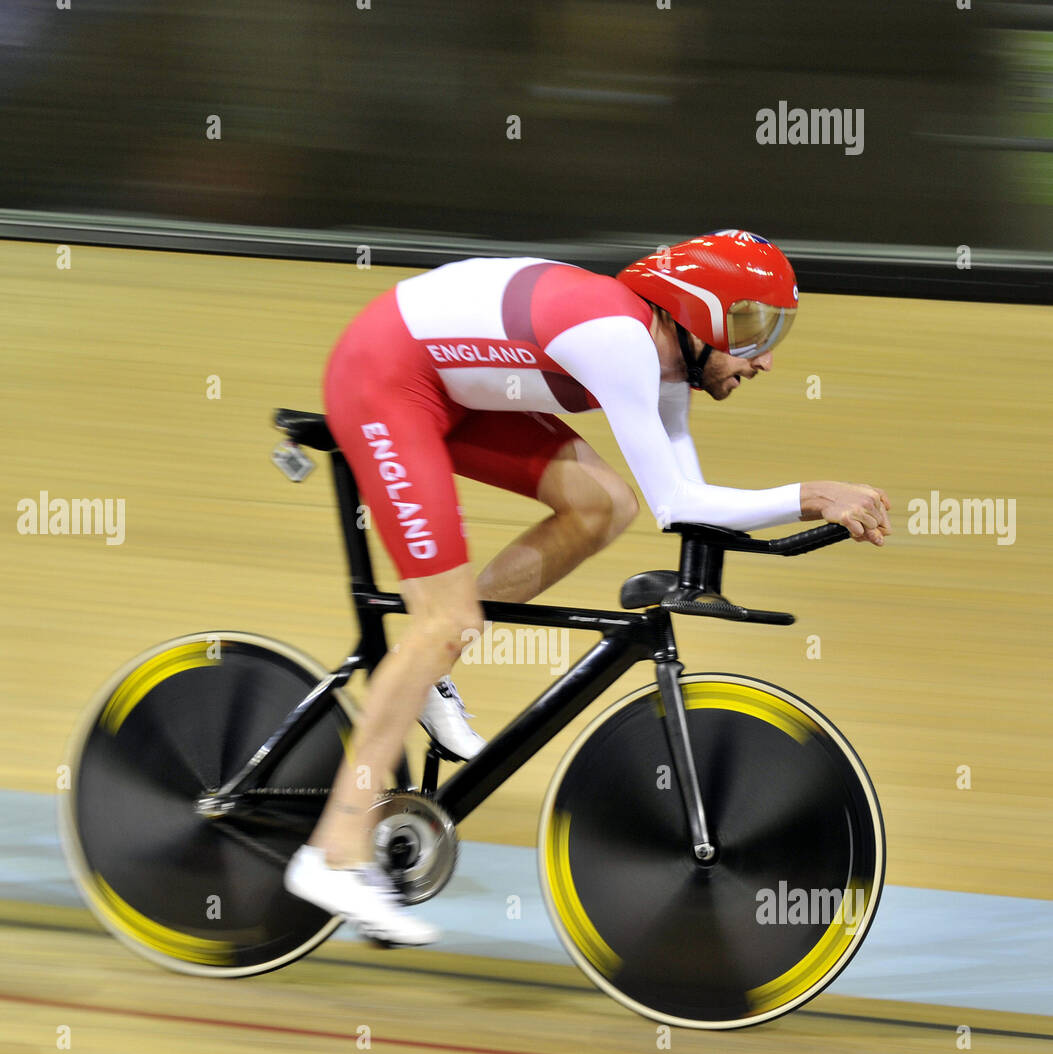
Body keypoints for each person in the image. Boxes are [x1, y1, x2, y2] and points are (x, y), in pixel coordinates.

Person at [285, 229, 891, 945]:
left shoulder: (667, 366)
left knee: (602, 506)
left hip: (449, 381)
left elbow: (686, 496)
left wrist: (800, 509)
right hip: (385, 378)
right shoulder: (618, 339)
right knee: (444, 618)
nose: (763, 359)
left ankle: (423, 666)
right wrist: (813, 495)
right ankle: (331, 853)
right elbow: (680, 506)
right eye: (752, 330)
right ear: (696, 313)